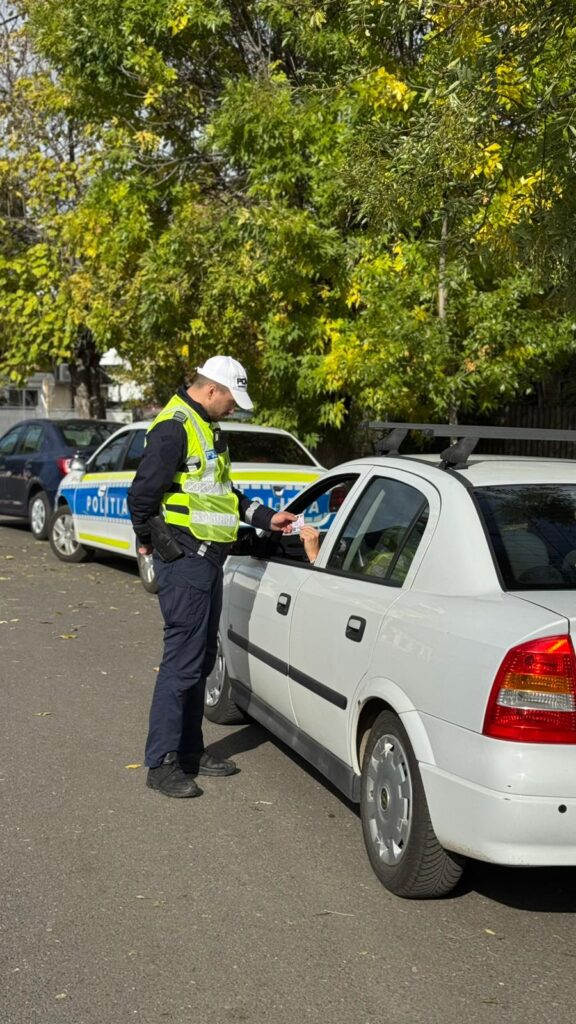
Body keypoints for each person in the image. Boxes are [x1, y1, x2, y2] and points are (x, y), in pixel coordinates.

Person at [127, 356, 296, 799]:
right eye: (231, 400)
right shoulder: (175, 427)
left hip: (206, 562)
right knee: (181, 664)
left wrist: (265, 517)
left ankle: (189, 751)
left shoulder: (206, 428)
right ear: (211, 390)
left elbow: (224, 494)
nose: (234, 409)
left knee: (200, 660)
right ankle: (161, 763)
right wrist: (159, 546)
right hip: (186, 563)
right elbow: (141, 496)